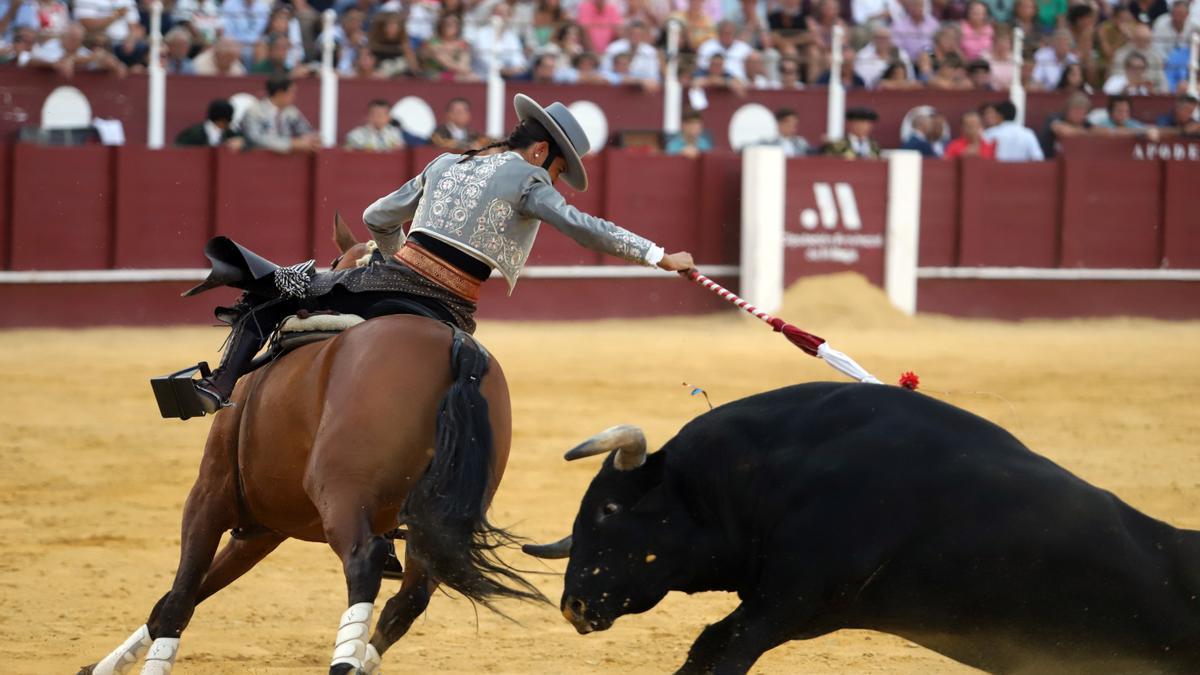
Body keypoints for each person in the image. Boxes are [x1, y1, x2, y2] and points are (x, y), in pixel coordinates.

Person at [172, 94, 695, 415]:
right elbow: (584, 229)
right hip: (451, 311)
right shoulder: (531, 177)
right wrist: (658, 254)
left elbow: (377, 217)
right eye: (560, 170)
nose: (556, 182)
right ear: (541, 153)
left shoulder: (446, 162)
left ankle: (219, 385)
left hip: (385, 285)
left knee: (275, 283)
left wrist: (395, 261)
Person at [240, 76, 320, 154]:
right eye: (291, 92)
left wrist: (313, 139)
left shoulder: (292, 112)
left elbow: (306, 131)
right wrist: (291, 144)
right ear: (280, 93)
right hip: (258, 162)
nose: (294, 96)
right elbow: (255, 139)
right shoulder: (255, 112)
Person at [175, 99, 244, 149]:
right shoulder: (194, 134)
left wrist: (242, 143)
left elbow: (249, 143)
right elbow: (179, 149)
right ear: (223, 120)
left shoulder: (230, 133)